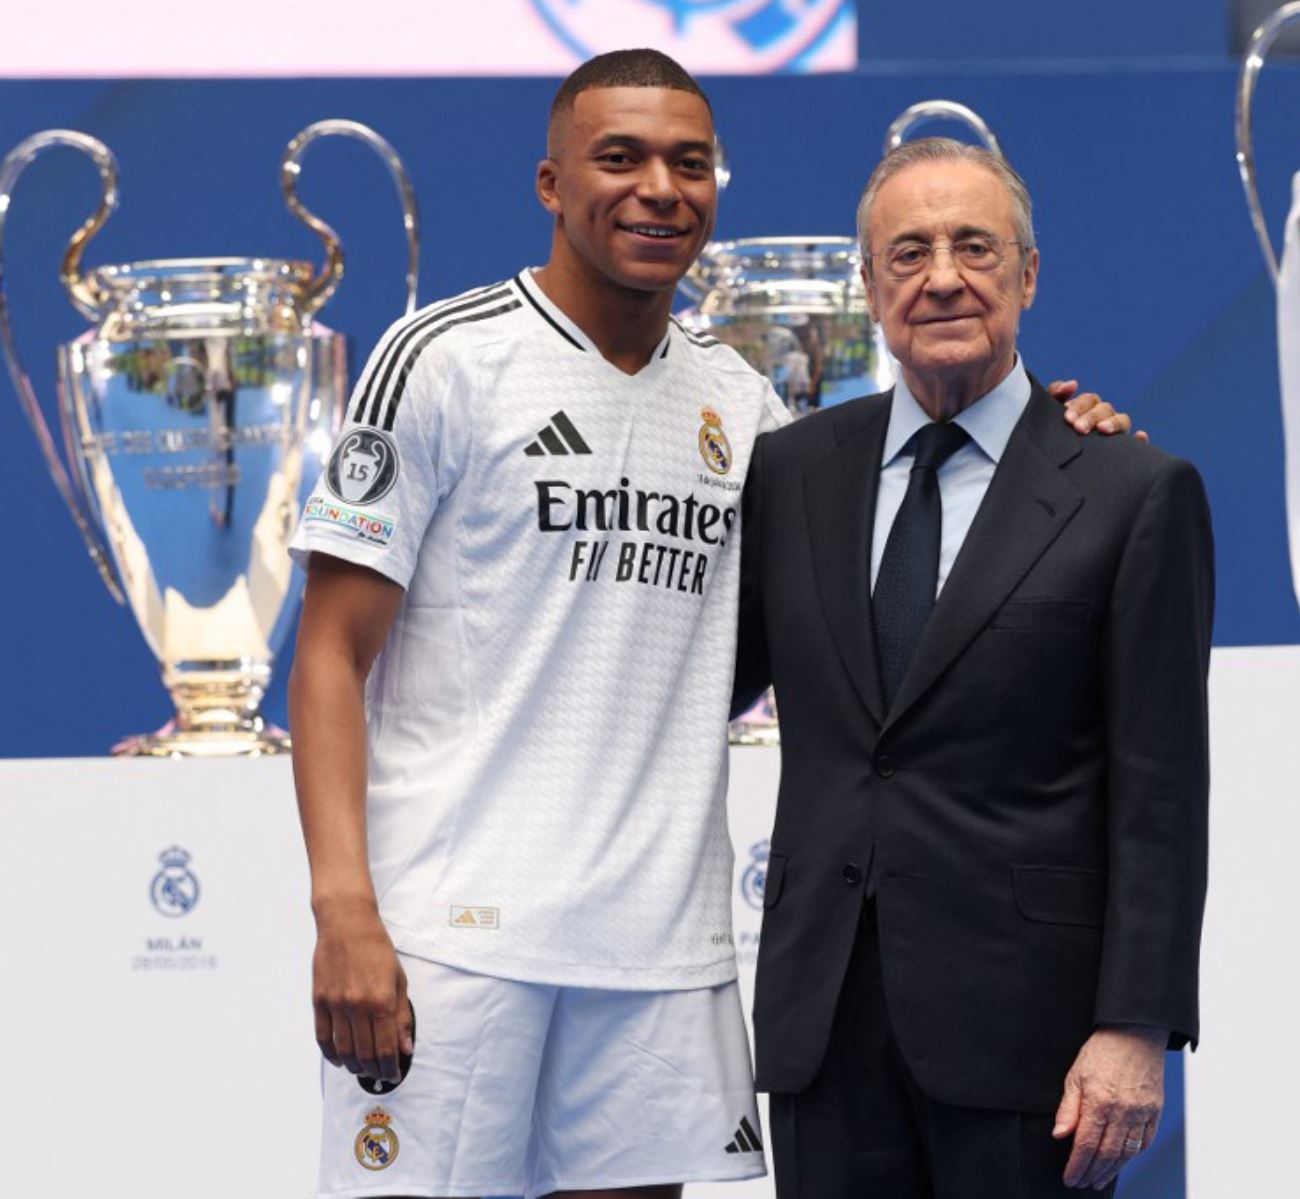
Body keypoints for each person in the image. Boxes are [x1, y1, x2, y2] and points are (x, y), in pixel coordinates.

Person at [287, 49, 1133, 1199]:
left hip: (659, 949)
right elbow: (330, 651)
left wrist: (1052, 429)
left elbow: (864, 583)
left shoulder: (745, 409)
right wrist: (344, 909)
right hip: (455, 937)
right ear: (549, 182)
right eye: (619, 157)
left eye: (690, 164)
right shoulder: (441, 360)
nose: (659, 189)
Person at [733, 137, 1214, 1197]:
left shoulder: (1131, 489)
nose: (941, 276)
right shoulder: (791, 471)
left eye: (973, 246)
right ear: (866, 287)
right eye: (907, 252)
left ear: (1028, 275)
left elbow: (1162, 788)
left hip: (1031, 1046)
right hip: (824, 1033)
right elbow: (700, 681)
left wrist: (1136, 1024)